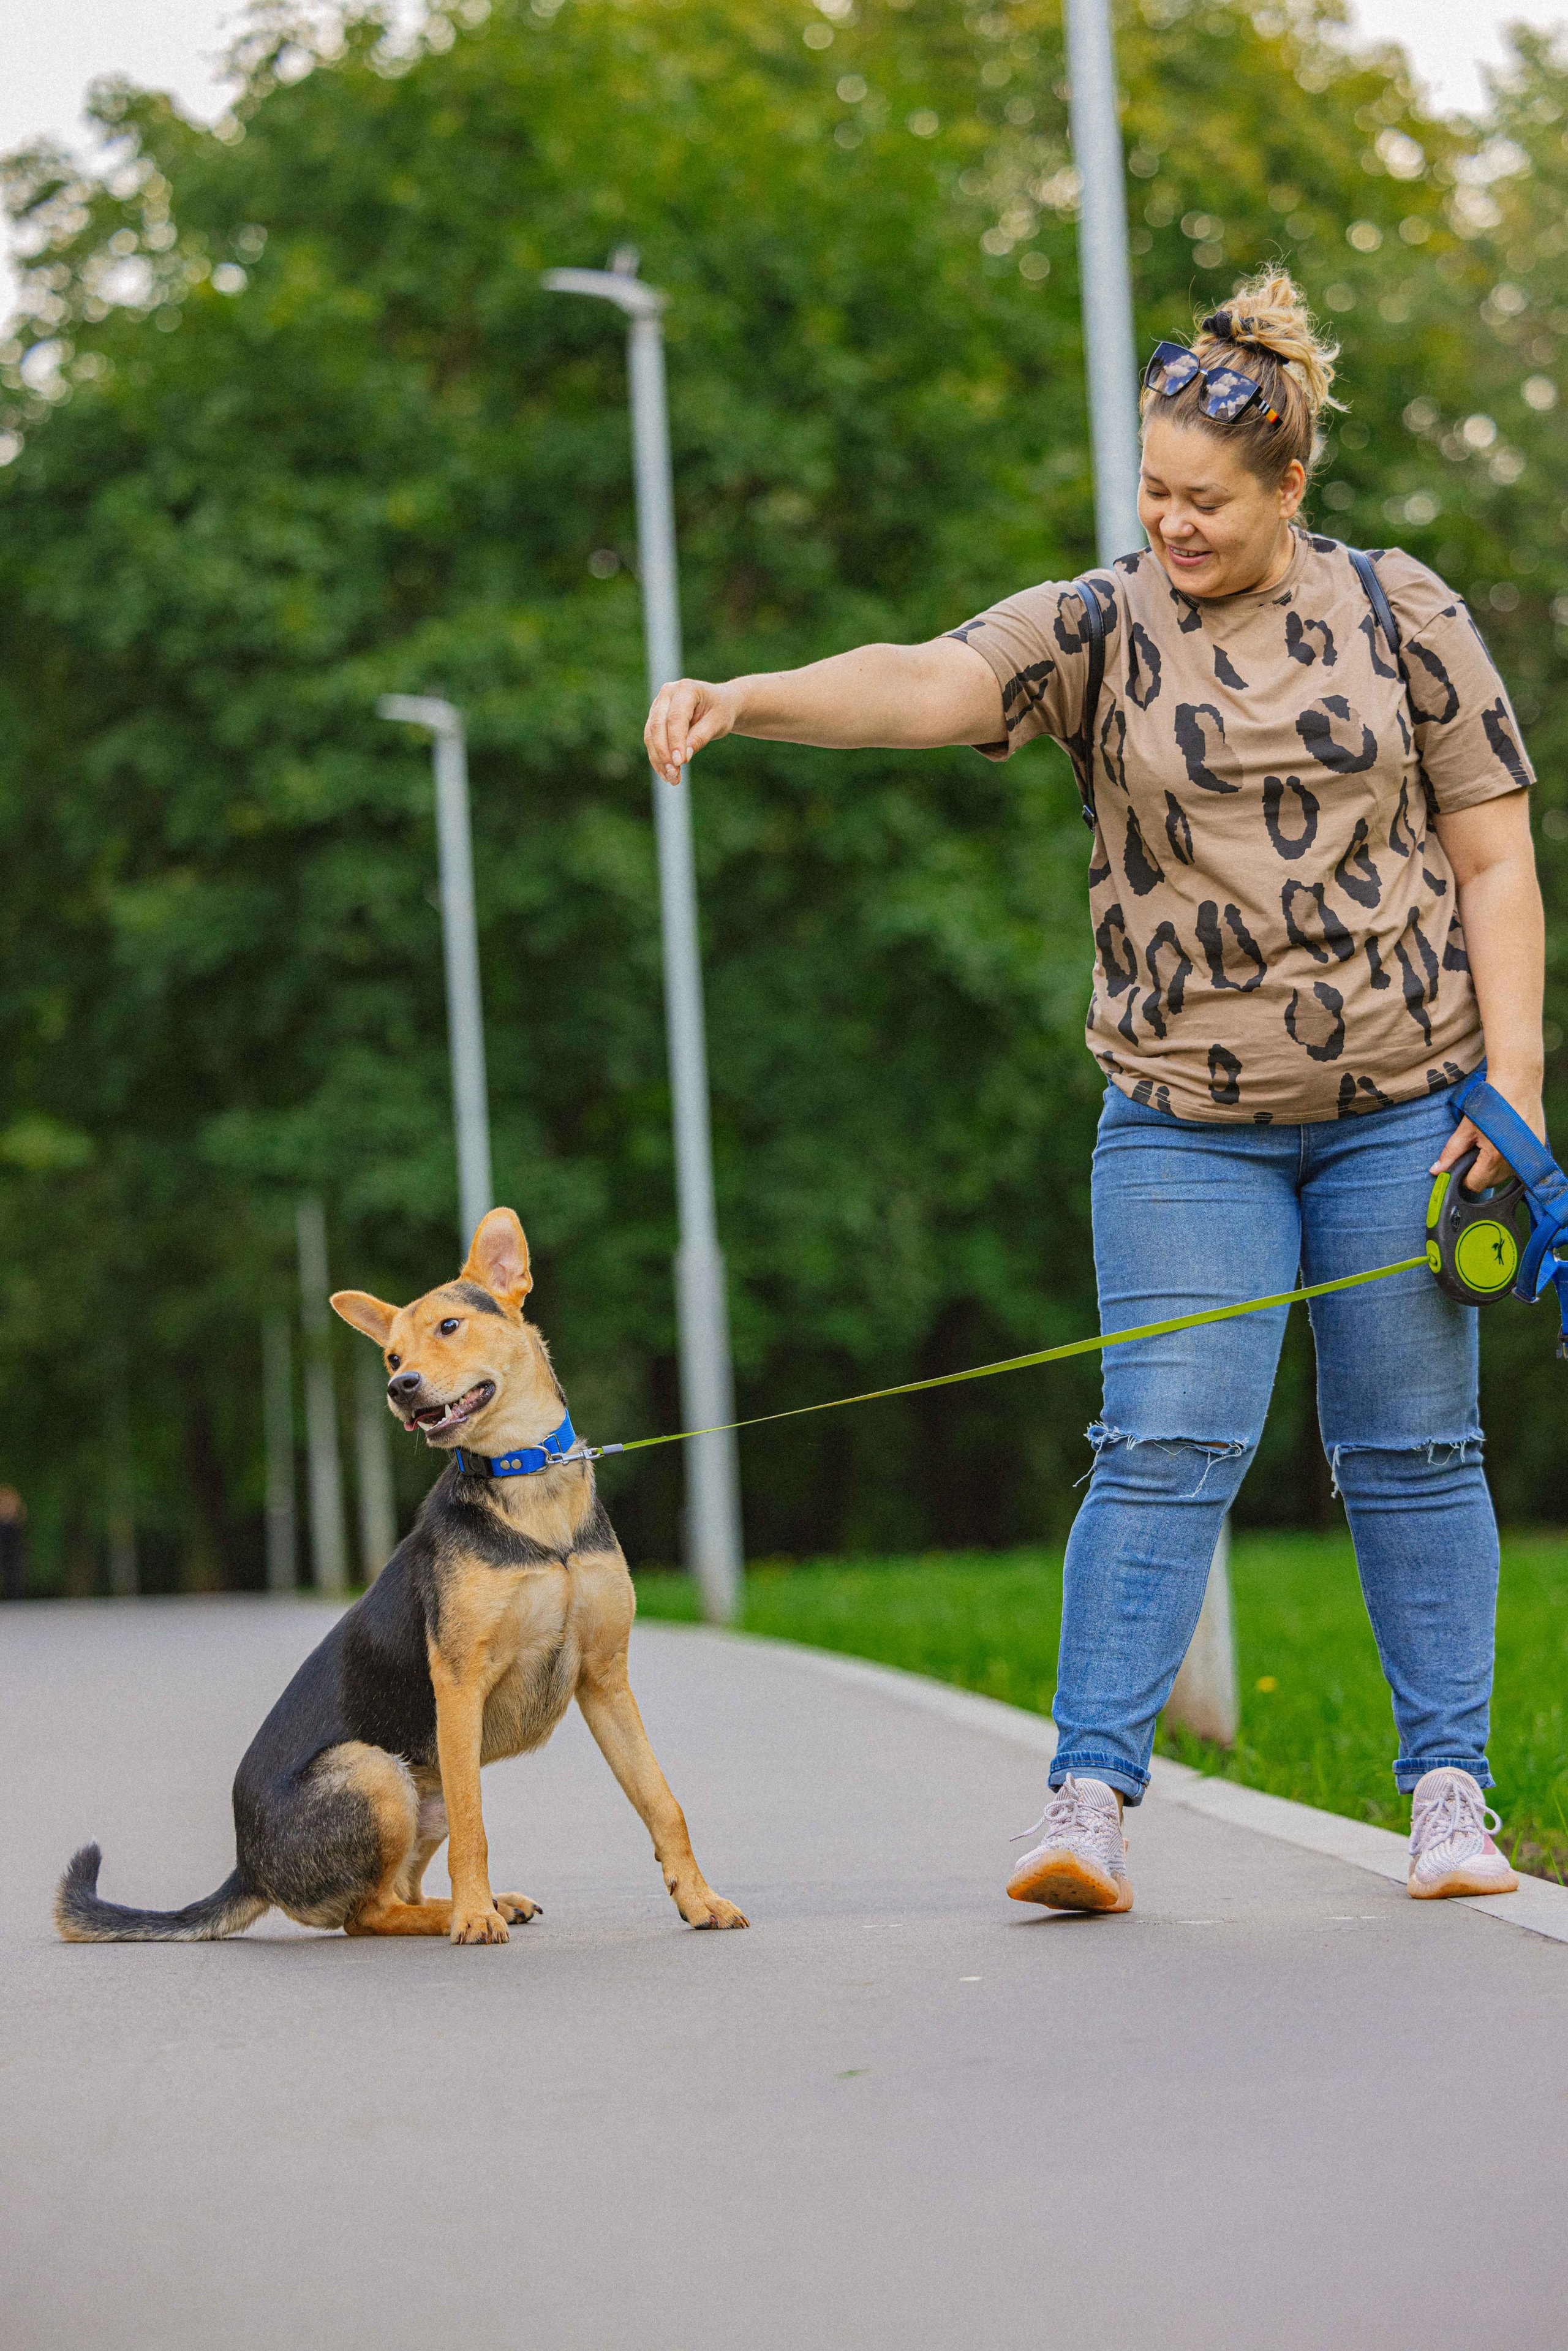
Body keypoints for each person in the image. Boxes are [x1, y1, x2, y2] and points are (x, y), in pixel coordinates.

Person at [645, 268, 1543, 1914]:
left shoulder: (1404, 612)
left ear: (1288, 485)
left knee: (1415, 1450)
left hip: (1408, 1105)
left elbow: (1494, 860)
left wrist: (1516, 1098)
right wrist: (749, 698)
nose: (1171, 524)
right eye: (1151, 494)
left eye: (1204, 499)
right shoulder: (1099, 625)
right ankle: (1085, 1803)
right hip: (1184, 1125)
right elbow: (926, 680)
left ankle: (1452, 1798)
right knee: (1163, 1438)